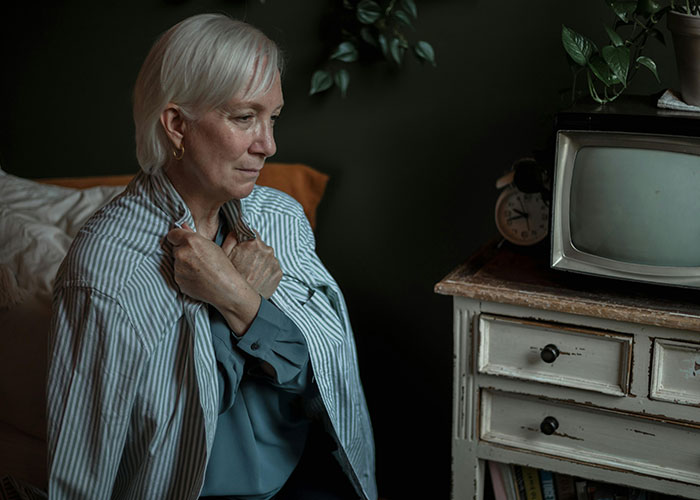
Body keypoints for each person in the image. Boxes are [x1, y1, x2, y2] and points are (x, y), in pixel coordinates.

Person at [47, 13, 377, 500]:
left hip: (306, 478)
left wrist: (239, 300)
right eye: (245, 118)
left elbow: (319, 380)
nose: (268, 144)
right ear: (177, 124)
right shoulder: (104, 272)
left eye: (273, 118)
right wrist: (237, 316)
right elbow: (90, 462)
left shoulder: (281, 218)